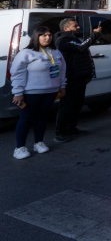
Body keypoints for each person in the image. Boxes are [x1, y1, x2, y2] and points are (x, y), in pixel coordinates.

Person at [10, 26, 67, 160]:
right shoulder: (26, 53)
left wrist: (62, 86)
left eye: (49, 35)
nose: (47, 38)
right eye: (44, 35)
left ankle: (38, 142)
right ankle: (19, 148)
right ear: (36, 36)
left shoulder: (56, 52)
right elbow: (17, 73)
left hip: (51, 91)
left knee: (42, 118)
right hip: (31, 92)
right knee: (26, 119)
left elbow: (62, 71)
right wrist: (18, 92)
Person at [53, 17, 102, 143]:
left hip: (80, 76)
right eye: (75, 26)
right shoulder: (63, 40)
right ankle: (60, 132)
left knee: (77, 103)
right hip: (70, 77)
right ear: (66, 28)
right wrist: (95, 35)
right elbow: (81, 47)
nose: (78, 27)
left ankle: (71, 127)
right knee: (67, 104)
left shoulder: (75, 38)